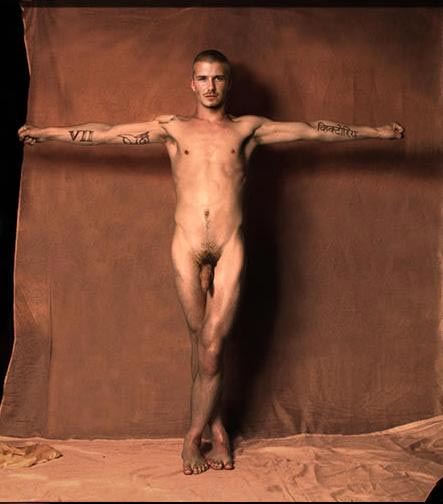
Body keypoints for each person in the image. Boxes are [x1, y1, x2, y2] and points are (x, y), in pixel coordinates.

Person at [18, 49, 405, 476]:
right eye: (203, 78)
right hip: (185, 245)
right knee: (200, 343)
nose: (210, 86)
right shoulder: (173, 128)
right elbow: (107, 134)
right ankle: (218, 428)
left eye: (218, 78)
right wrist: (47, 132)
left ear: (228, 83)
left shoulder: (248, 129)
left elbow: (314, 131)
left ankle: (191, 437)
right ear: (192, 83)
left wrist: (378, 133)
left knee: (212, 346)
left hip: (229, 245)